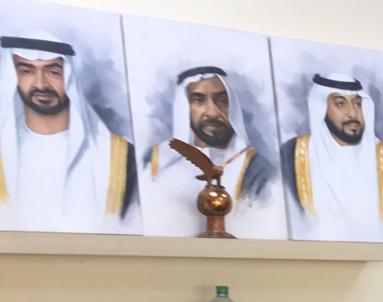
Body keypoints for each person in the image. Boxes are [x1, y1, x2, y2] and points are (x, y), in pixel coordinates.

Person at [0, 32, 138, 233]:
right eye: (26, 71)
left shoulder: (120, 157)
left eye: (53, 72)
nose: (41, 84)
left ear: (70, 76)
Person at [142, 66, 282, 238]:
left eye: (222, 101)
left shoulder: (259, 170)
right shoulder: (155, 161)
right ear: (184, 108)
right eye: (199, 100)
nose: (213, 112)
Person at [280, 72, 383, 241]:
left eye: (358, 104)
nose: (353, 114)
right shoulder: (291, 155)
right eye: (340, 104)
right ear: (322, 108)